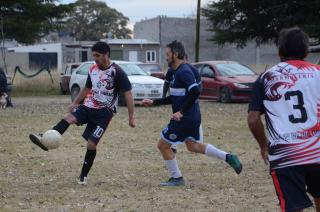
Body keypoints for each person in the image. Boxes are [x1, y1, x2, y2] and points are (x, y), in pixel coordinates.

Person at [29, 41, 136, 185]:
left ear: (106, 55)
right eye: (94, 56)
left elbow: (128, 94)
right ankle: (45, 139)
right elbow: (87, 88)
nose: (95, 58)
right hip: (88, 106)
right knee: (69, 118)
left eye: (97, 55)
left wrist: (131, 117)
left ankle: (83, 176)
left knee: (91, 144)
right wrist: (75, 103)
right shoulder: (93, 69)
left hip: (104, 113)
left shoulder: (117, 71)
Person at [142, 40, 242, 187]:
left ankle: (177, 178)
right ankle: (228, 157)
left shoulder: (184, 72)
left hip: (185, 119)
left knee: (163, 145)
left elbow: (195, 91)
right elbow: (176, 97)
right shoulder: (176, 72)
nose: (166, 57)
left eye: (168, 54)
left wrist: (181, 112)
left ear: (175, 54)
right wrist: (155, 102)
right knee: (193, 146)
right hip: (192, 117)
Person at [247, 27, 320, 212]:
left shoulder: (266, 78)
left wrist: (264, 146)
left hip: (285, 156)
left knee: (292, 207)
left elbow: (253, 119)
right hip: (318, 152)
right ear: (306, 51)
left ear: (279, 51)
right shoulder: (318, 73)